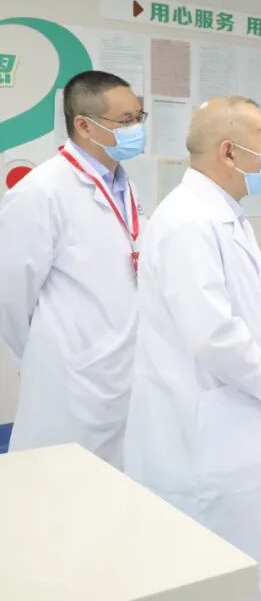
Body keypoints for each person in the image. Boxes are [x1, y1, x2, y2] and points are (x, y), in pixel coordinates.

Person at [123, 97, 261, 592]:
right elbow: (214, 333)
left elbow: (252, 314)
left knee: (233, 568)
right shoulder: (188, 221)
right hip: (199, 437)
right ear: (229, 152)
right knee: (207, 573)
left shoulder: (225, 215)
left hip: (235, 413)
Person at [0, 70, 145, 467]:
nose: (137, 128)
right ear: (84, 125)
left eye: (139, 117)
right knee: (59, 488)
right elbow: (10, 296)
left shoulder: (125, 186)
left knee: (121, 490)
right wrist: (43, 355)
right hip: (68, 379)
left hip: (122, 371)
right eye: (126, 120)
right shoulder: (42, 191)